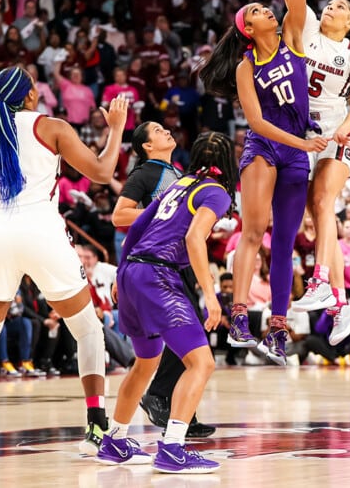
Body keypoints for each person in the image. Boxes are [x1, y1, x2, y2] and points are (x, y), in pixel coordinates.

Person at [0, 67, 129, 463]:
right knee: (87, 330)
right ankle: (97, 426)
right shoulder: (52, 127)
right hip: (42, 231)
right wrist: (116, 128)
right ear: (31, 97)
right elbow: (100, 171)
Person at [200, 0, 328, 366]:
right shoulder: (245, 67)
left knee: (287, 243)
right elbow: (254, 119)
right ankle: (238, 316)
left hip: (296, 151)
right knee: (251, 232)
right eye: (255, 10)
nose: (266, 9)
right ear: (247, 29)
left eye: (264, 6)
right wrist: (300, 140)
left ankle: (277, 325)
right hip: (264, 146)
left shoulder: (294, 37)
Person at [251, 0, 350, 346]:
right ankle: (341, 306)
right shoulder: (311, 30)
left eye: (341, 7)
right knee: (315, 214)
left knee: (323, 201)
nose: (332, 6)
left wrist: (348, 129)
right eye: (331, 4)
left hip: (338, 132)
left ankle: (321, 282)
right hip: (305, 131)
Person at [95, 132, 236, 474]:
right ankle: (173, 447)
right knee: (202, 363)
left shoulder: (181, 183)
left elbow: (139, 225)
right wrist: (211, 296)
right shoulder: (215, 192)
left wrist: (121, 274)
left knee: (146, 363)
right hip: (159, 275)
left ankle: (115, 439)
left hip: (132, 272)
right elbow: (193, 238)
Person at [111, 122, 214, 438]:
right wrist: (158, 215)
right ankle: (159, 398)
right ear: (147, 146)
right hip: (157, 263)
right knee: (191, 337)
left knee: (185, 339)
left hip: (174, 261)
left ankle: (182, 413)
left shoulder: (178, 171)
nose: (166, 131)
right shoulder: (146, 173)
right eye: (156, 131)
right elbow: (119, 216)